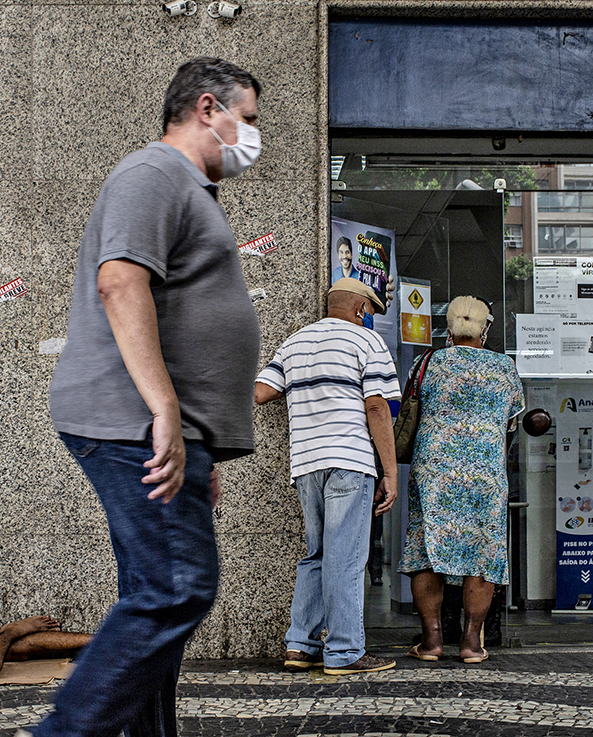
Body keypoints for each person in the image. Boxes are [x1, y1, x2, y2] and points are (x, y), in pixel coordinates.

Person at [36, 57, 262, 736]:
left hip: (161, 429)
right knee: (174, 589)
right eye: (247, 120)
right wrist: (165, 412)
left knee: (155, 598)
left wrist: (200, 443)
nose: (254, 136)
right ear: (206, 109)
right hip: (130, 421)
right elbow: (120, 283)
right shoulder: (152, 174)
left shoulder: (187, 188)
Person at [254, 277, 400, 676]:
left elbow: (262, 391)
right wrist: (390, 471)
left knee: (316, 554)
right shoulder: (367, 343)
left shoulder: (295, 342)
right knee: (347, 558)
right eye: (369, 312)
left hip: (306, 463)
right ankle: (345, 651)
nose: (369, 318)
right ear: (359, 310)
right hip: (349, 460)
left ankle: (299, 645)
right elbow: (377, 408)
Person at [398, 296, 523, 664]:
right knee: (483, 551)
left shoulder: (427, 363)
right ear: (484, 329)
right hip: (485, 471)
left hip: (434, 471)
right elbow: (510, 424)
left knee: (425, 550)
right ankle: (471, 642)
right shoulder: (504, 368)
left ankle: (432, 641)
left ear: (449, 328)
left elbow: (410, 411)